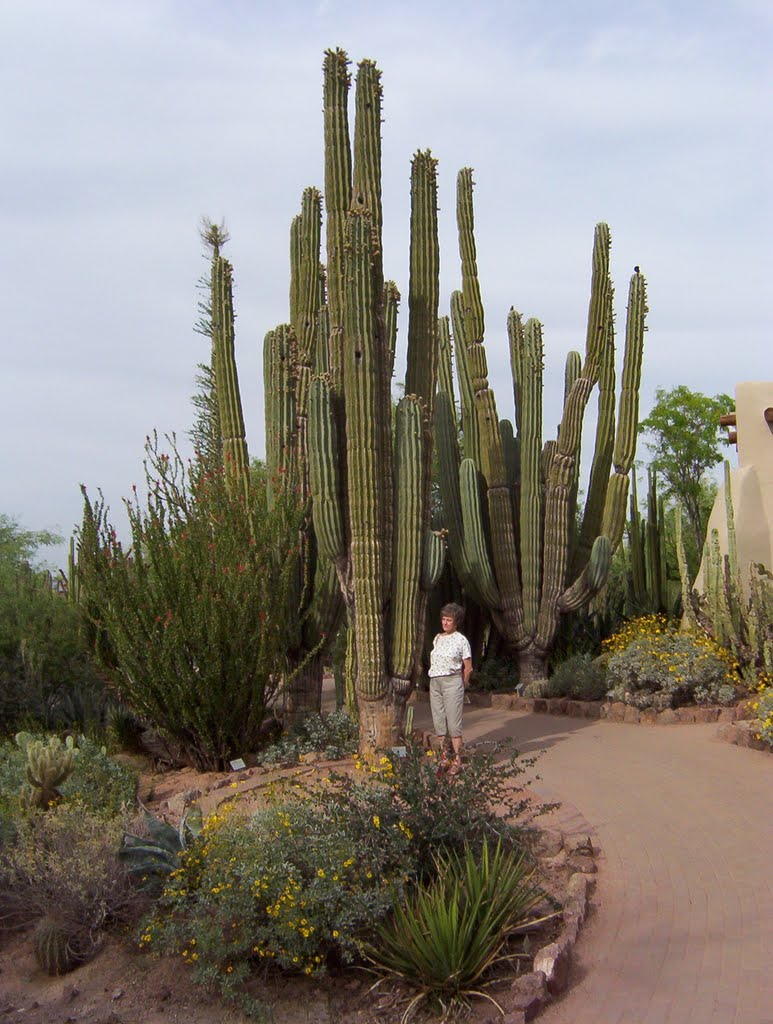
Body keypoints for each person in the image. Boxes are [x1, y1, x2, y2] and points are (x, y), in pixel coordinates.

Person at [428, 603, 472, 776]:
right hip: (435, 682)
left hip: (452, 682)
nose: (445, 623)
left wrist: (463, 683)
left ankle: (458, 761)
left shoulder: (461, 640)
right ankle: (444, 758)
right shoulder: (437, 638)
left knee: (454, 724)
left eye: (449, 620)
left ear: (456, 622)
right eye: (443, 619)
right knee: (439, 722)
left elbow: (468, 666)